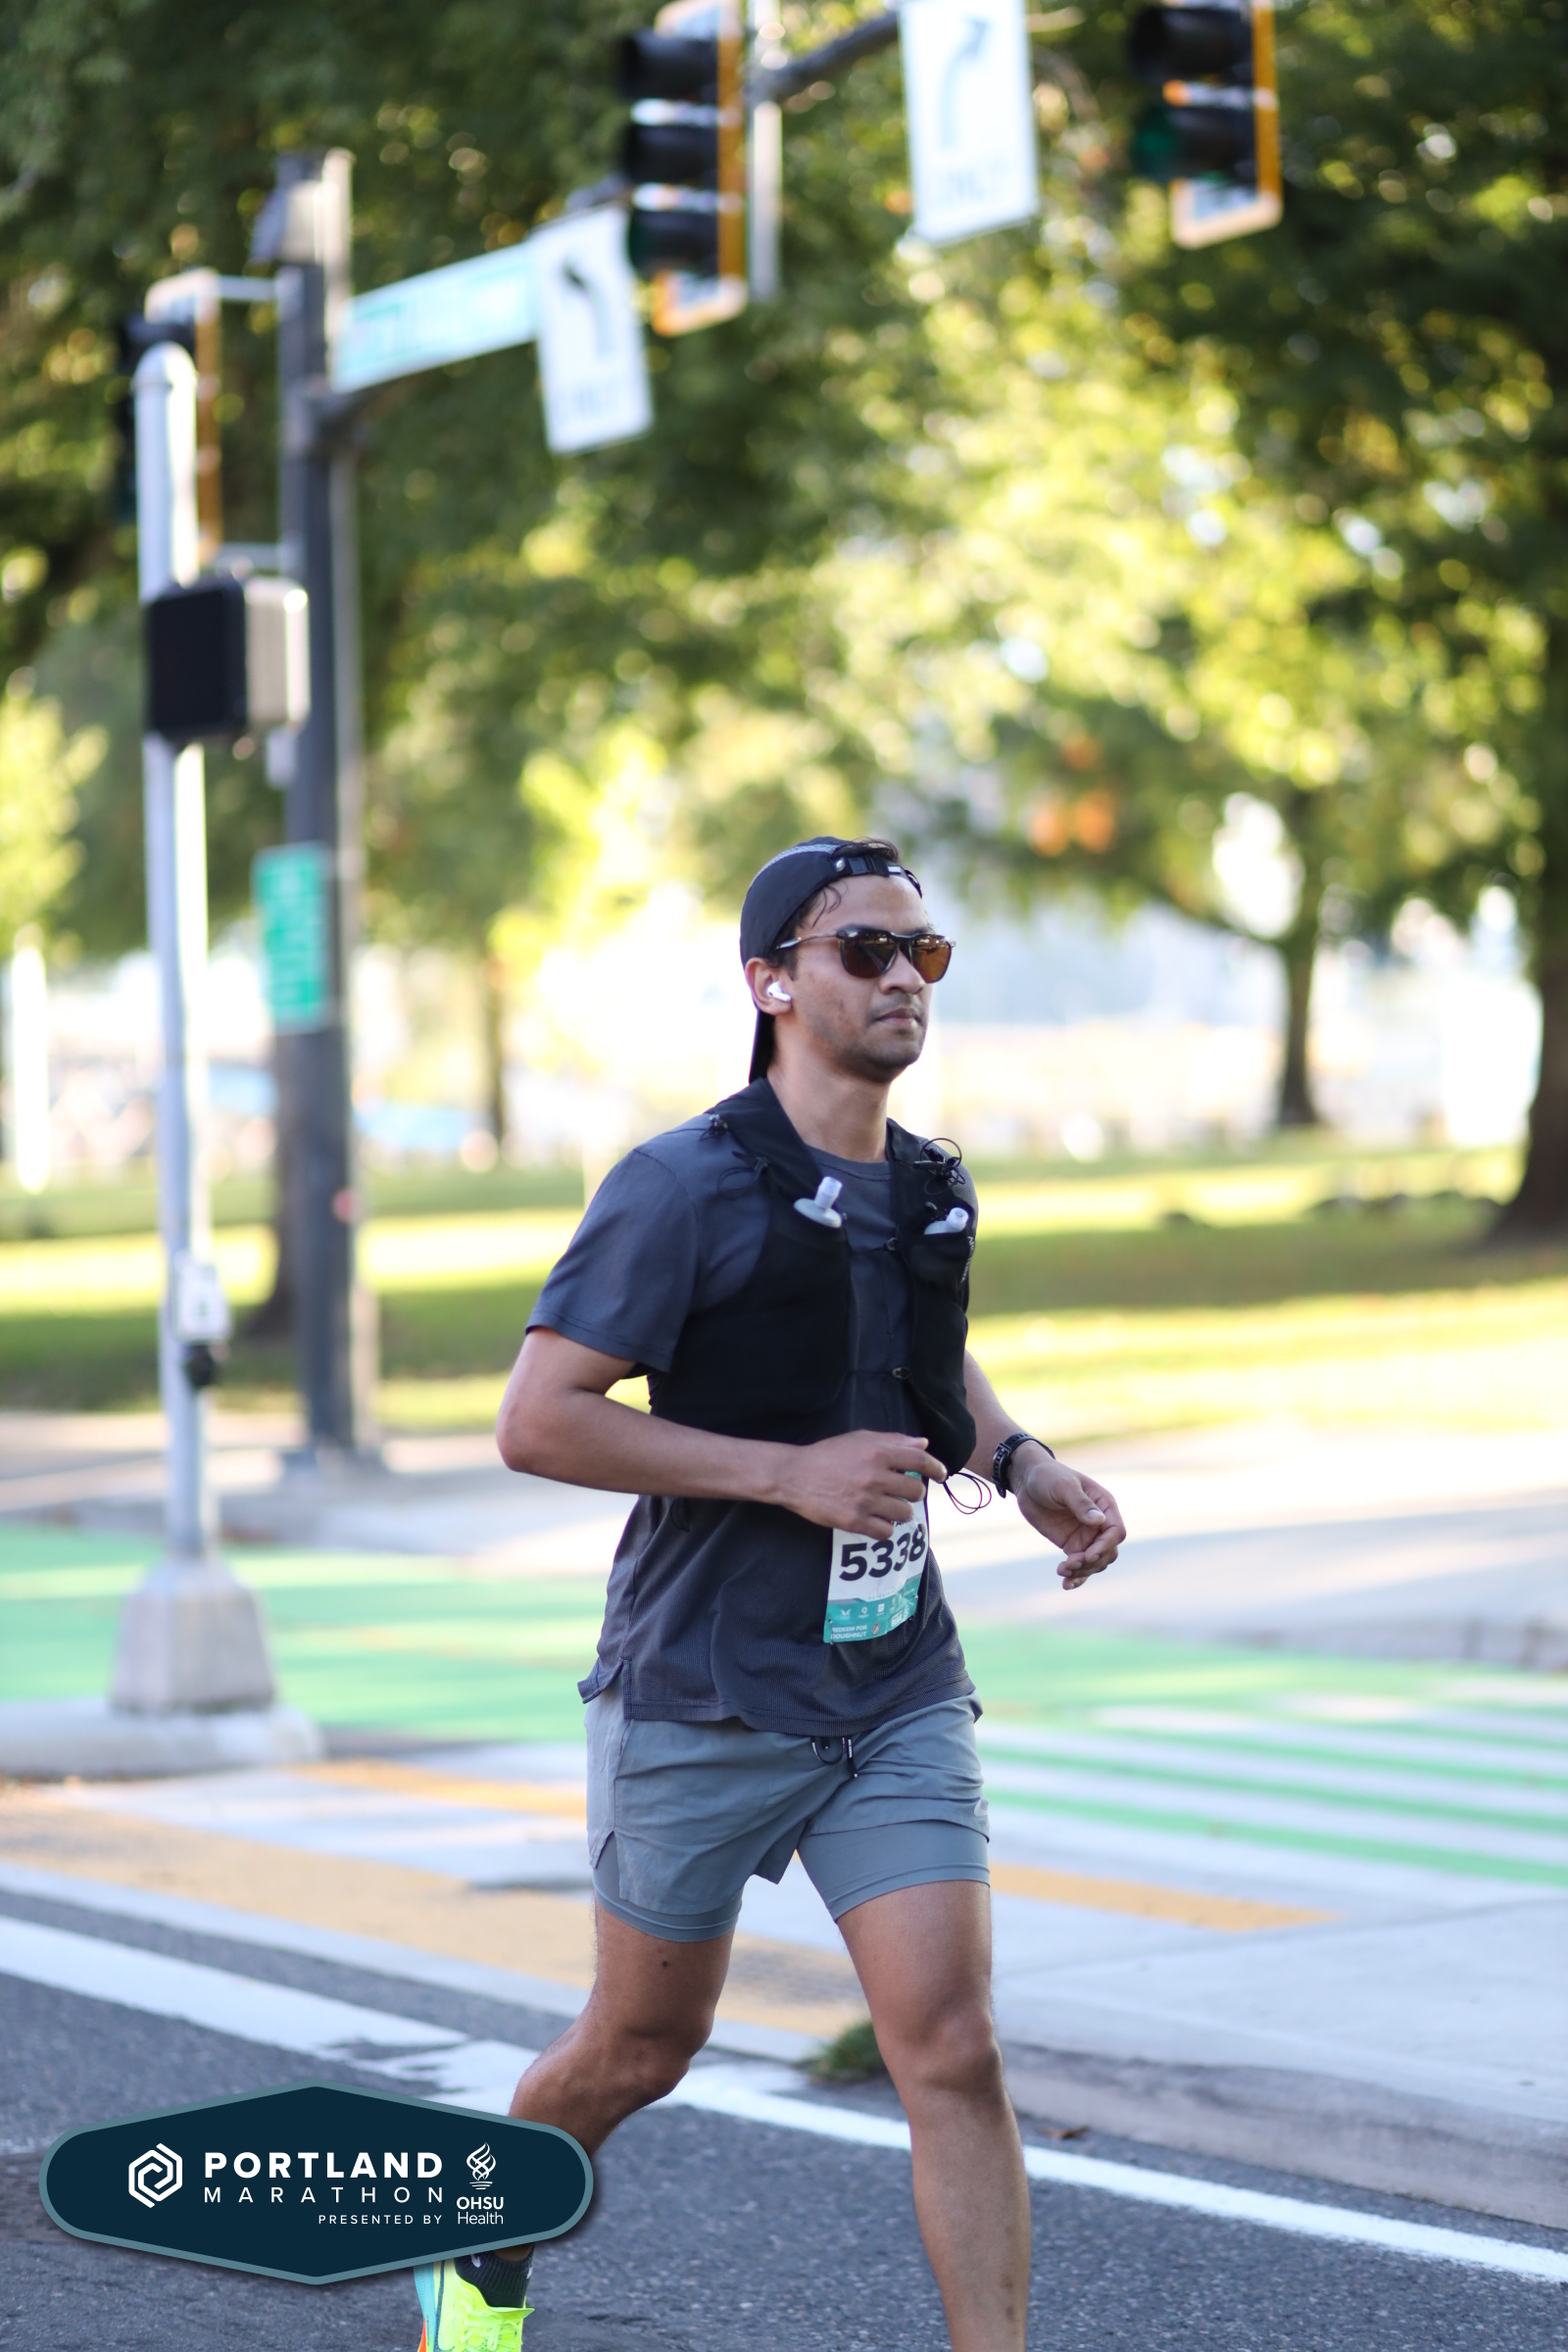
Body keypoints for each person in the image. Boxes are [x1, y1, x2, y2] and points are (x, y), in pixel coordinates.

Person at [413, 837, 1125, 2352]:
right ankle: (479, 2250)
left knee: (953, 2046)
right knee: (639, 2046)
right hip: (705, 1689)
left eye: (924, 951)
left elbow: (922, 1367)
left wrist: (1022, 1461)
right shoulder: (681, 1187)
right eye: (864, 949)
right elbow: (539, 1419)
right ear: (771, 982)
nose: (903, 977)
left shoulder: (929, 1188)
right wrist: (785, 1475)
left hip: (891, 1683)